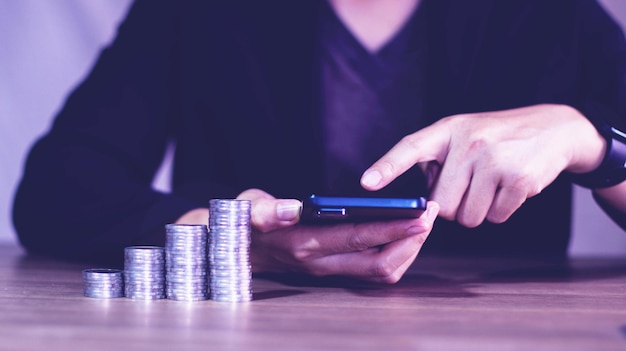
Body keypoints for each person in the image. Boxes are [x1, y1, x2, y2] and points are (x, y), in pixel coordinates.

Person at [12, 0, 626, 283]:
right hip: (257, 327)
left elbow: (604, 143)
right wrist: (228, 237)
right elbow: (55, 190)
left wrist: (593, 140)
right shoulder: (193, 10)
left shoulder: (549, 12)